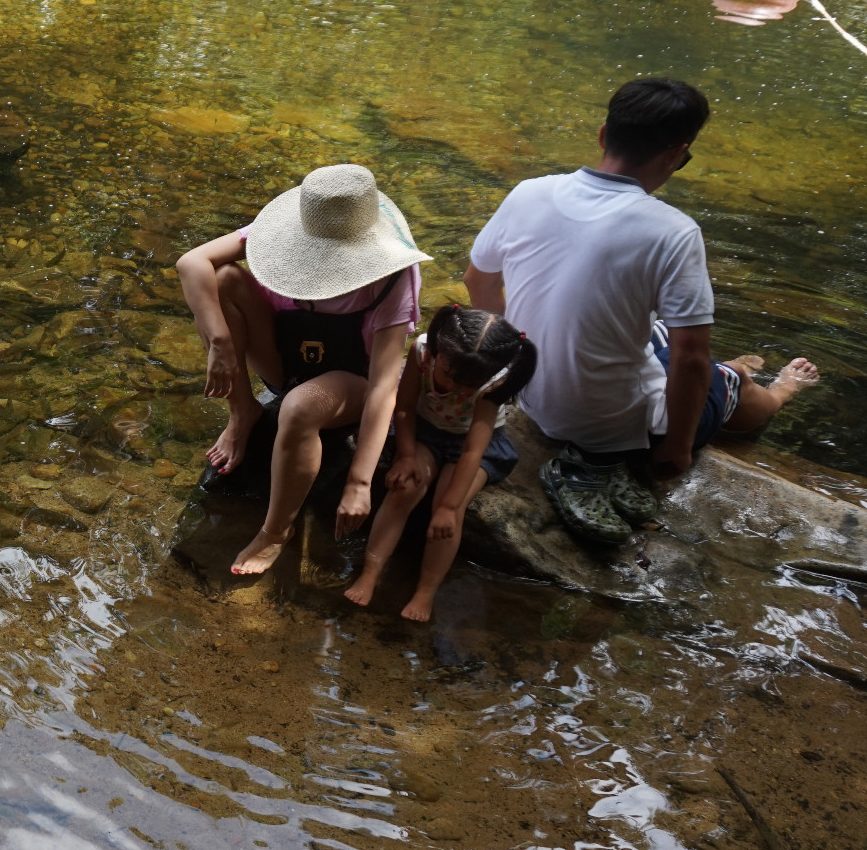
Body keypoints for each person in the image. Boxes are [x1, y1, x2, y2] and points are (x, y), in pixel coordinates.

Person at [465, 78, 818, 543]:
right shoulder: (673, 232)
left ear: (602, 134)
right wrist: (675, 449)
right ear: (676, 153)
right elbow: (691, 359)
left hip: (529, 393)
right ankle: (774, 389)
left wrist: (516, 365)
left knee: (648, 328)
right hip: (612, 431)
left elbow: (478, 281)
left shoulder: (530, 192)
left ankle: (731, 368)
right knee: (727, 384)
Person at [177, 163, 432, 575]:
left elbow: (385, 385)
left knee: (298, 408)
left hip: (352, 382)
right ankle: (244, 414)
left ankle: (276, 531)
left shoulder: (391, 276)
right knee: (222, 279)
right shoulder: (284, 233)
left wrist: (359, 481)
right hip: (287, 360)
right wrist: (220, 343)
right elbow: (192, 263)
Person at [345, 306, 536, 621]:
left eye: (469, 385)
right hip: (425, 431)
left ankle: (426, 591)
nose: (457, 388)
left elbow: (475, 449)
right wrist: (406, 456)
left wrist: (448, 507)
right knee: (404, 488)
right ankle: (371, 571)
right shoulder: (424, 351)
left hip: (473, 444)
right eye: (449, 374)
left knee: (450, 508)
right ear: (437, 351)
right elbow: (404, 407)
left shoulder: (495, 377)